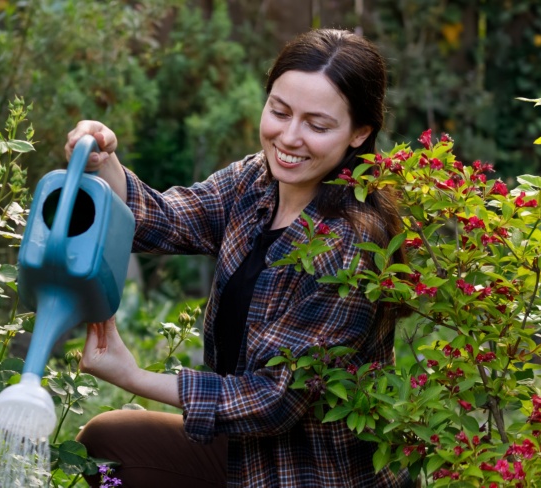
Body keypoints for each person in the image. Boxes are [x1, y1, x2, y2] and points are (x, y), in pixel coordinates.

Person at [66, 29, 411, 487]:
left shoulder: (350, 243)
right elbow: (170, 218)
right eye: (279, 111)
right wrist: (104, 161)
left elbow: (270, 401)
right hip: (241, 455)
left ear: (359, 134)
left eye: (317, 125)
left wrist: (132, 375)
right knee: (107, 442)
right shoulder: (257, 182)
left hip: (307, 474)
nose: (289, 138)